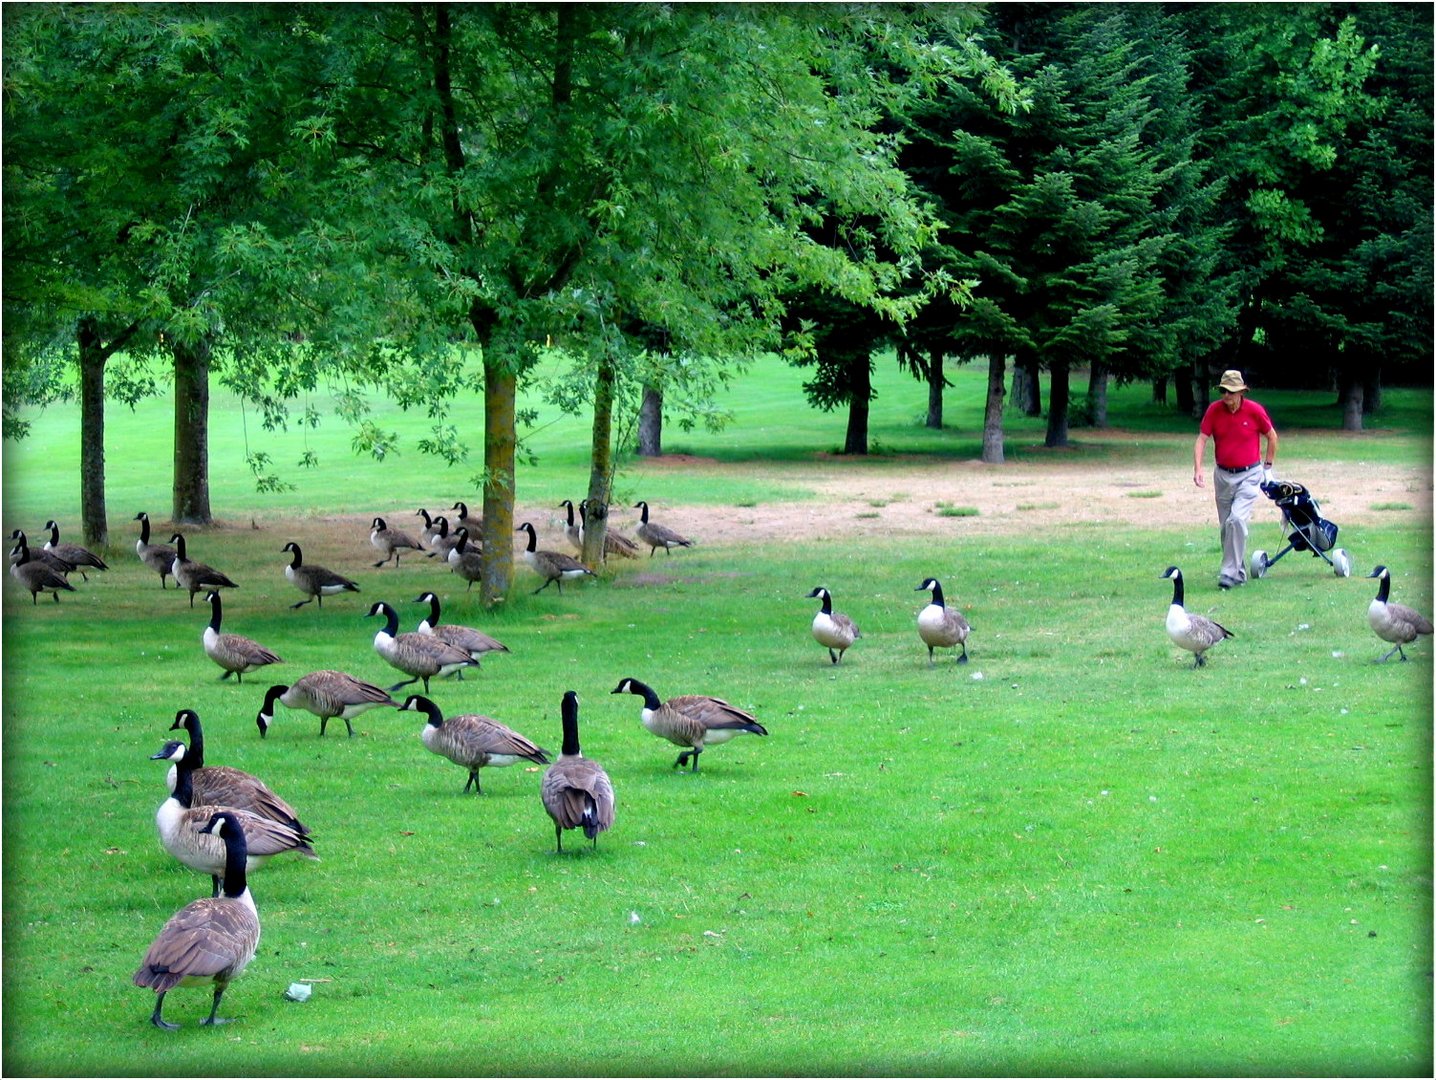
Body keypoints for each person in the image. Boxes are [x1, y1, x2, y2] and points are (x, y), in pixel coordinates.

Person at [1193, 369, 1279, 589]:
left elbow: (1272, 436)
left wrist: (1267, 467)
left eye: (1230, 392)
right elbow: (1202, 439)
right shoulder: (1214, 411)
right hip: (1222, 476)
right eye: (1223, 391)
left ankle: (1228, 573)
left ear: (1241, 392)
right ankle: (1237, 573)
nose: (1226, 396)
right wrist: (1198, 468)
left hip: (1250, 474)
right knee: (1226, 528)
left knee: (1237, 520)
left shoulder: (1254, 411)